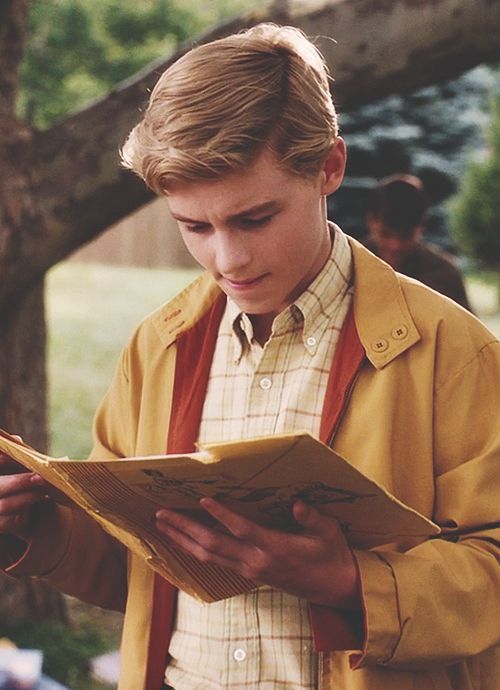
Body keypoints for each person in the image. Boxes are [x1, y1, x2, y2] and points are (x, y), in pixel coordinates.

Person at [0, 23, 499, 690]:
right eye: (194, 227)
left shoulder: (456, 353)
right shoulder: (158, 347)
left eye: (254, 219)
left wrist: (351, 583)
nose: (226, 259)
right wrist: (39, 531)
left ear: (330, 166)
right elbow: (140, 568)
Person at [363, 173, 473, 310]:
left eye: (405, 237)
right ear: (371, 222)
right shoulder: (349, 264)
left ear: (421, 227)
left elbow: (466, 330)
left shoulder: (444, 274)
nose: (395, 246)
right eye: (385, 235)